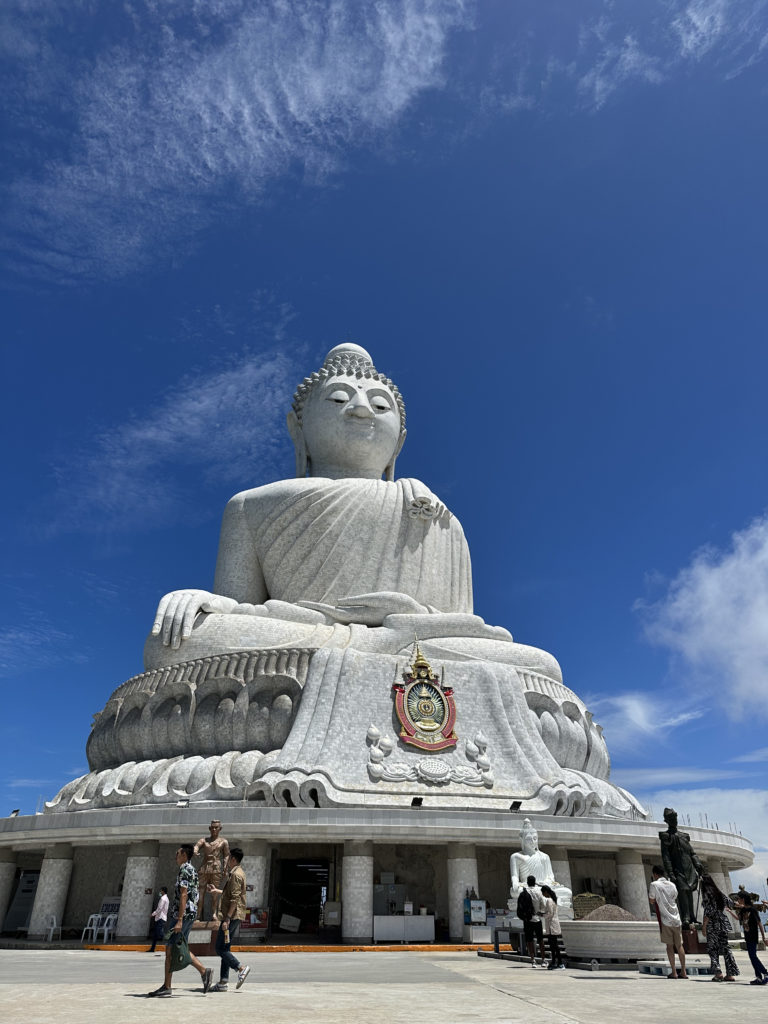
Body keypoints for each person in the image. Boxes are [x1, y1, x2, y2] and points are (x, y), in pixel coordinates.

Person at [147, 845, 213, 997]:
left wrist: (179, 920)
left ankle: (168, 986)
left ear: (184, 855)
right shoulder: (191, 870)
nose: (175, 855)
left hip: (182, 916)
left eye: (178, 853)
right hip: (188, 914)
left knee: (171, 948)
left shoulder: (185, 870)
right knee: (177, 948)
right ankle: (203, 972)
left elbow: (184, 895)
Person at [206, 846, 251, 993]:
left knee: (219, 948)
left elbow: (234, 898)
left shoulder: (236, 875)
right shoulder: (235, 874)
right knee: (225, 948)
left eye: (227, 859)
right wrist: (215, 891)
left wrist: (227, 919)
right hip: (232, 915)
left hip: (232, 916)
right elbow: (228, 894)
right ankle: (223, 982)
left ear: (233, 859)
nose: (226, 862)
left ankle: (240, 968)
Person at [510, 819, 572, 910]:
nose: (532, 842)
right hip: (527, 887)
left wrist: (546, 882)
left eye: (535, 839)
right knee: (515, 891)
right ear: (522, 840)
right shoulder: (516, 857)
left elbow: (550, 876)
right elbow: (515, 876)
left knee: (567, 892)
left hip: (544, 887)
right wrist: (515, 883)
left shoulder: (544, 856)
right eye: (528, 839)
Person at [658, 807, 704, 928]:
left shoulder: (684, 836)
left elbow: (692, 853)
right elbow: (666, 857)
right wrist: (670, 873)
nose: (674, 820)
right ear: (666, 820)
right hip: (678, 870)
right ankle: (686, 917)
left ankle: (692, 916)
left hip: (689, 868)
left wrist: (697, 864)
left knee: (689, 892)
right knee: (682, 892)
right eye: (671, 818)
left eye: (675, 818)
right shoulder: (666, 837)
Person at [648, 866, 687, 979]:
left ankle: (674, 971)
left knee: (669, 946)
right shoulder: (672, 885)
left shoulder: (654, 884)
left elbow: (651, 900)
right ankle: (683, 971)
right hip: (676, 918)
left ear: (655, 874)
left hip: (665, 919)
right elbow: (674, 897)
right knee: (679, 945)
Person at [700, 873, 739, 982]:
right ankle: (730, 973)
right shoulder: (719, 894)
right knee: (726, 948)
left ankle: (718, 973)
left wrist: (704, 927)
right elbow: (732, 904)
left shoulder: (707, 896)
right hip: (723, 923)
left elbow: (708, 913)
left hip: (713, 925)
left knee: (713, 949)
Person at [194, 820, 230, 920]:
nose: (214, 829)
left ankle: (214, 913)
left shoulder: (223, 842)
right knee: (201, 892)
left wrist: (225, 868)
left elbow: (226, 855)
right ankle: (198, 914)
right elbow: (197, 845)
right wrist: (195, 850)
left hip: (216, 868)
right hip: (204, 868)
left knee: (214, 892)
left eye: (216, 827)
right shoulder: (204, 840)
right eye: (212, 827)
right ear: (209, 828)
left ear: (220, 829)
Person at [736, 891, 767, 985]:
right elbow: (738, 918)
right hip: (747, 935)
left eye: (739, 899)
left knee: (753, 956)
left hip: (753, 935)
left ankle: (765, 973)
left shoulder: (753, 910)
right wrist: (731, 911)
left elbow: (760, 923)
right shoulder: (743, 910)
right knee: (751, 956)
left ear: (743, 899)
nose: (738, 900)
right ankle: (758, 977)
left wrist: (764, 937)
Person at [519, 874, 548, 968]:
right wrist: (540, 912)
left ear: (527, 882)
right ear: (535, 882)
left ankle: (533, 960)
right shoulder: (539, 892)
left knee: (529, 940)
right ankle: (543, 960)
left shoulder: (523, 892)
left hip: (527, 919)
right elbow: (543, 905)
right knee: (540, 939)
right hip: (537, 918)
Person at [540, 884, 565, 970]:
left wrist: (542, 914)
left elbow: (549, 914)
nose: (543, 895)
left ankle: (557, 962)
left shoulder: (549, 900)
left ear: (546, 892)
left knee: (553, 945)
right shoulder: (553, 899)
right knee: (554, 945)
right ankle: (556, 962)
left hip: (551, 925)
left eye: (543, 893)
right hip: (553, 924)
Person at [148, 886, 168, 953]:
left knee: (159, 933)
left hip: (160, 917)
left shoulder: (163, 899)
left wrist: (153, 914)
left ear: (162, 891)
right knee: (155, 935)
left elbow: (159, 908)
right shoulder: (167, 899)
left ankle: (168, 939)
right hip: (162, 917)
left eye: (161, 891)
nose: (160, 892)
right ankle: (152, 948)